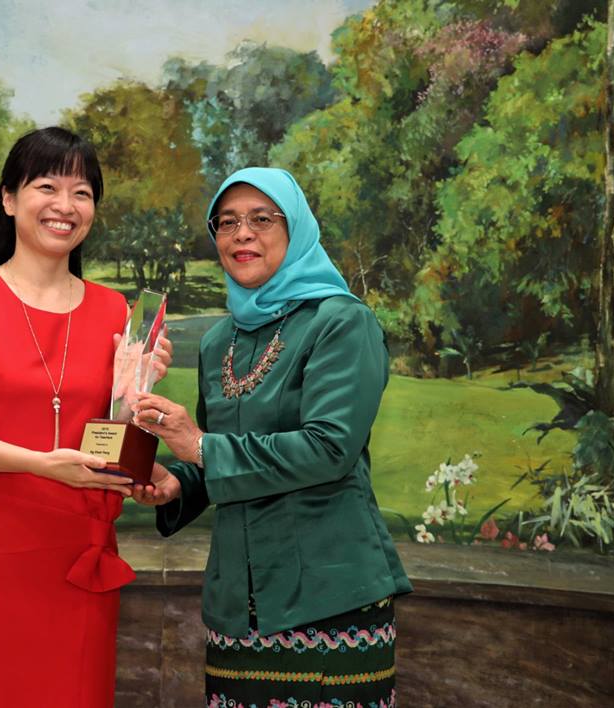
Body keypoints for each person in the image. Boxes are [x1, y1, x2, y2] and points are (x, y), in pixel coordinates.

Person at [131, 167, 412, 708]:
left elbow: (330, 448)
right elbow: (224, 453)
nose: (242, 234)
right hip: (238, 608)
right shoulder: (219, 341)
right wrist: (179, 484)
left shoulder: (341, 322)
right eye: (228, 221)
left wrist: (202, 449)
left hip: (330, 601)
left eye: (262, 218)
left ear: (297, 228)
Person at [0, 127, 171, 707]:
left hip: (76, 560)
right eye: (47, 186)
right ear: (9, 198)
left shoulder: (115, 312)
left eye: (82, 192)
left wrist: (140, 387)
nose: (65, 205)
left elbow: (115, 439)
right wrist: (41, 465)